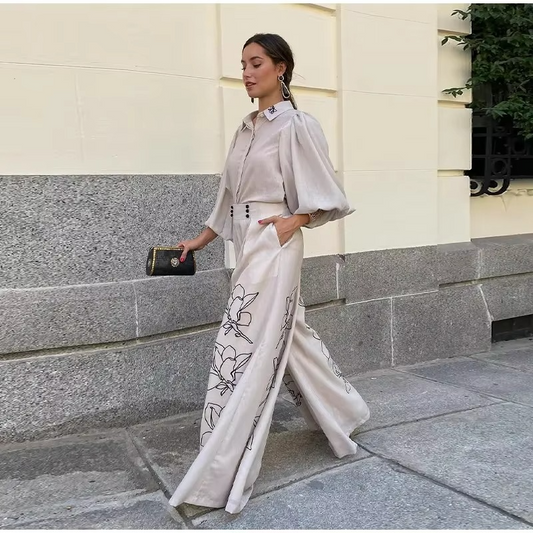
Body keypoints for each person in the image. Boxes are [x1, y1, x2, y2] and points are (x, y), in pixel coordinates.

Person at [169, 33, 370, 514]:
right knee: (289, 334)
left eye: (256, 63)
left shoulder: (297, 124)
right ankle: (346, 411)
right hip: (246, 243)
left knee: (240, 341)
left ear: (281, 68)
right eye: (242, 64)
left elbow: (329, 193)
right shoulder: (245, 129)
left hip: (274, 243)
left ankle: (221, 464)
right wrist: (200, 241)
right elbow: (228, 198)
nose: (246, 72)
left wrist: (292, 222)